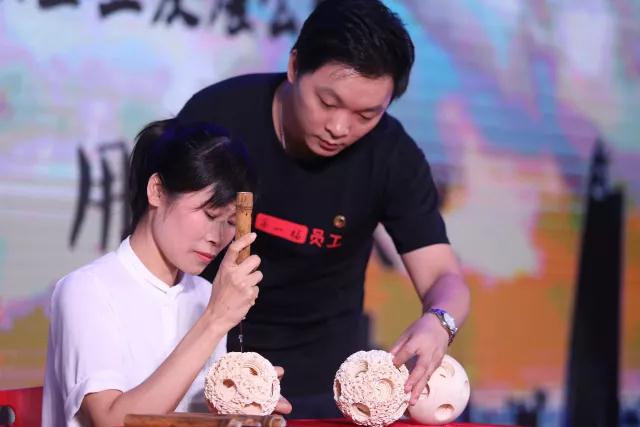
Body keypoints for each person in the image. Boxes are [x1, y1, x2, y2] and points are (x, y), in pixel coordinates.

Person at [177, 0, 471, 418]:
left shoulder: (392, 157)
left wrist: (440, 322)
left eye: (366, 114)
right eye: (328, 103)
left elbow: (444, 277)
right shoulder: (219, 118)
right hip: (201, 364)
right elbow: (155, 240)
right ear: (295, 66)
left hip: (322, 381)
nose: (339, 128)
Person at [42, 119, 291, 426]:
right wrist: (214, 319)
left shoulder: (204, 293)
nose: (217, 236)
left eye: (230, 222)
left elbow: (195, 413)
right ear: (157, 191)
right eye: (209, 214)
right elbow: (112, 421)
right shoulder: (86, 290)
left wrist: (243, 406)